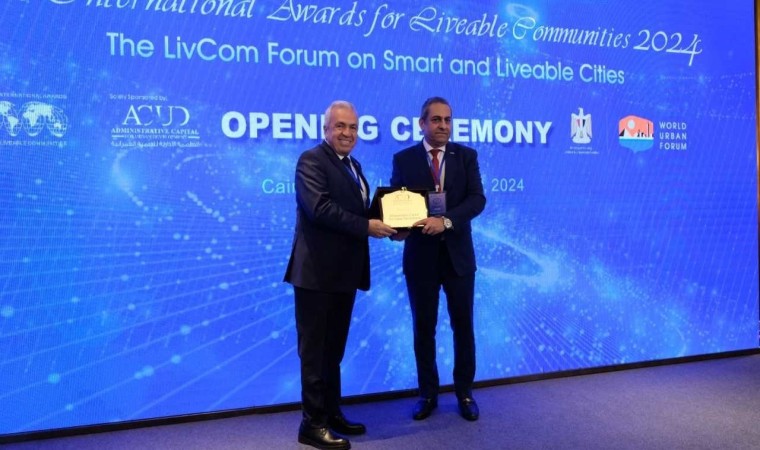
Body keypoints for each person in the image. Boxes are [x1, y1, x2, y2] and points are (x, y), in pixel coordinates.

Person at [284, 100, 397, 449]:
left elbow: (358, 210)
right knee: (315, 354)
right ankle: (312, 424)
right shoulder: (311, 161)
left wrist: (394, 223)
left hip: (343, 274)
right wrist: (368, 226)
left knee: (332, 352)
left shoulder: (352, 165)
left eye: (353, 127)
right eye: (340, 126)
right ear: (326, 129)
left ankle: (331, 413)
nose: (347, 133)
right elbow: (319, 209)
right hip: (316, 275)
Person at [390, 96, 486, 422]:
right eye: (436, 120)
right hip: (421, 259)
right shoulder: (404, 159)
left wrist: (445, 221)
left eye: (447, 120)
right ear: (422, 123)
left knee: (464, 328)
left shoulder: (466, 156)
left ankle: (465, 393)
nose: (443, 125)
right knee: (423, 329)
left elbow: (477, 200)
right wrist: (397, 229)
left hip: (459, 259)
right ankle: (427, 394)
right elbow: (397, 205)